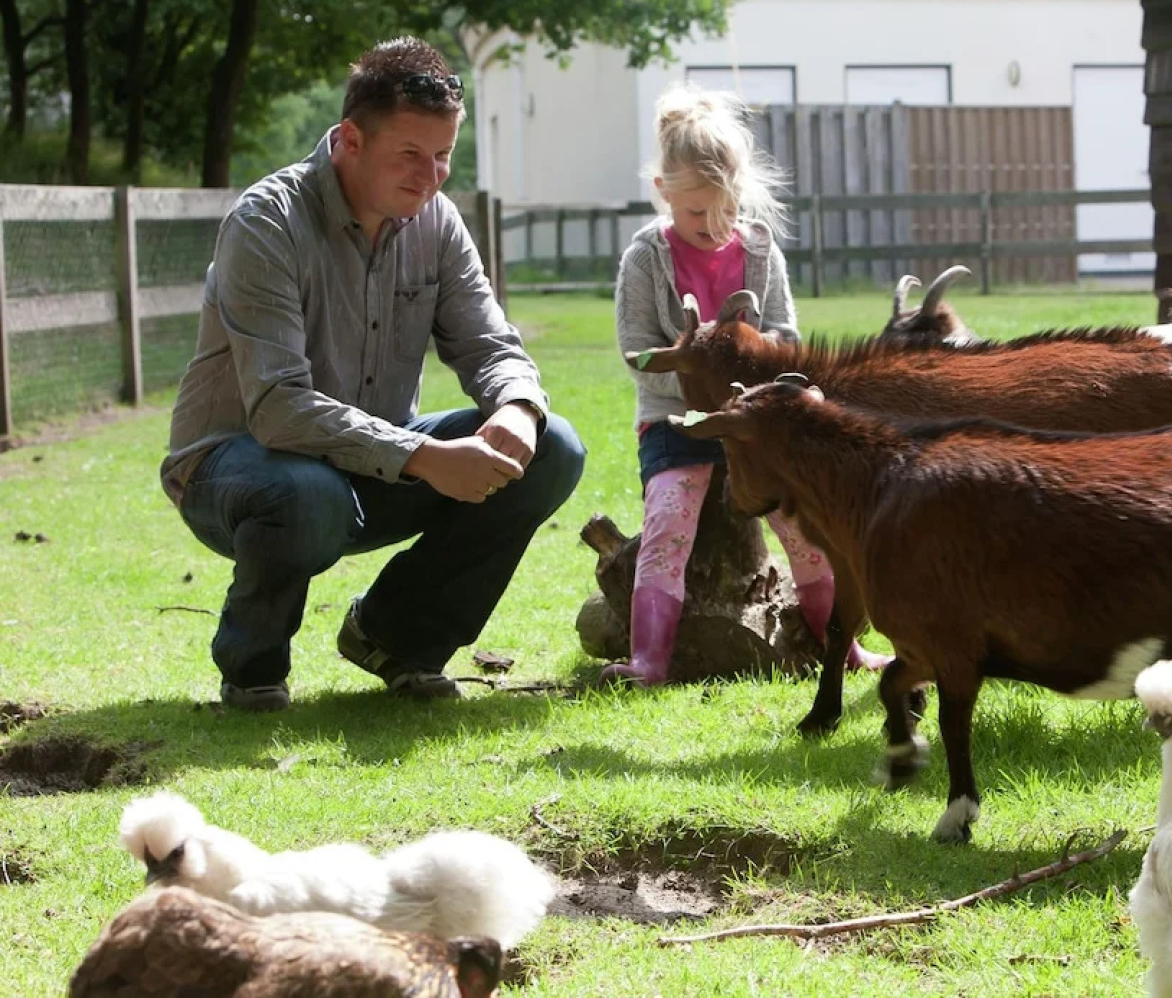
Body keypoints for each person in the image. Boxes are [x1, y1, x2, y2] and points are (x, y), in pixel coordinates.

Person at [161, 36, 586, 712]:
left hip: (368, 461)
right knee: (306, 493)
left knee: (553, 446)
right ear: (350, 141)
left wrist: (515, 409)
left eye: (443, 156)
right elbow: (278, 408)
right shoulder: (266, 223)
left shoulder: (437, 221)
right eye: (411, 155)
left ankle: (395, 638)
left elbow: (491, 343)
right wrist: (421, 455)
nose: (431, 176)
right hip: (236, 468)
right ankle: (253, 668)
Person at [605, 83, 890, 686]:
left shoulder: (760, 250)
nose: (713, 227)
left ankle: (845, 648)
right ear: (663, 193)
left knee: (806, 530)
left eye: (726, 210)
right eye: (695, 213)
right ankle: (648, 660)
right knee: (668, 524)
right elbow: (635, 352)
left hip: (760, 424)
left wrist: (744, 373)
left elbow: (784, 333)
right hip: (675, 422)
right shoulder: (644, 258)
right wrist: (693, 366)